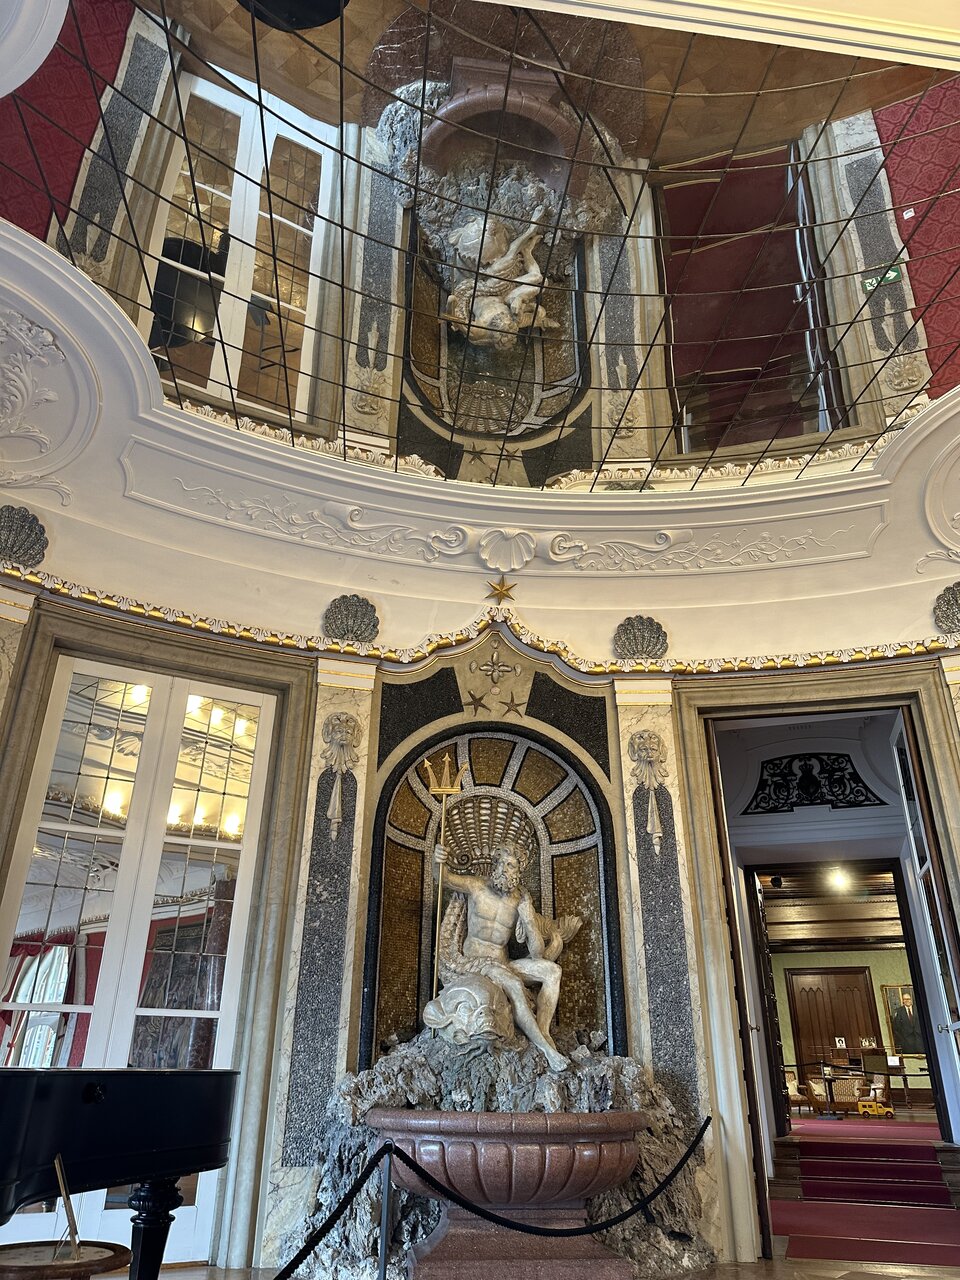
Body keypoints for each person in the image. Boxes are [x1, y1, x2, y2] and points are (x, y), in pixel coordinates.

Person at [433, 841, 569, 1070]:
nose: (504, 869)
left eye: (511, 865)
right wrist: (438, 860)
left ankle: (543, 1031)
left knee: (553, 971)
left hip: (502, 964)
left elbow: (538, 954)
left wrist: (528, 918)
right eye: (501, 863)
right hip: (473, 964)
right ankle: (548, 1051)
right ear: (494, 865)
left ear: (519, 871)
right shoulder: (476, 886)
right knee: (514, 985)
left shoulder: (520, 901)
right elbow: (444, 878)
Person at [891, 989, 925, 1054]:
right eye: (905, 999)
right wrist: (902, 1039)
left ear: (911, 1000)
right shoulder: (899, 1011)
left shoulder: (918, 1009)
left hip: (920, 1041)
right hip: (907, 1042)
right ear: (903, 1001)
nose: (907, 1001)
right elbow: (896, 1027)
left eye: (908, 999)